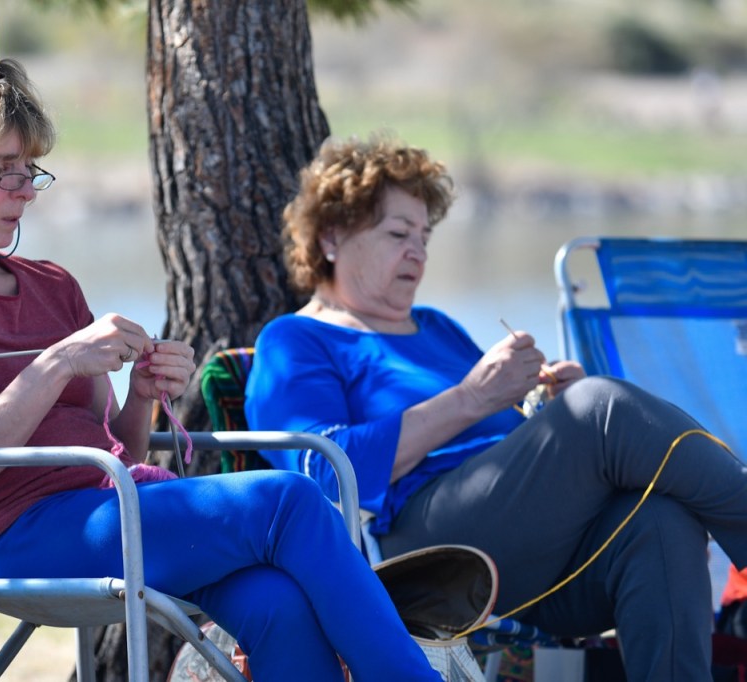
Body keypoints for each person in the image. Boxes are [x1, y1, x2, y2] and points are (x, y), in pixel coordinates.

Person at [0, 58, 441, 682]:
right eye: (3, 171)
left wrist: (141, 396)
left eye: (29, 170)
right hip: (12, 537)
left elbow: (119, 448)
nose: (24, 190)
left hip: (115, 506)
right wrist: (56, 364)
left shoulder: (53, 286)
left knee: (277, 603)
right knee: (289, 499)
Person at [244, 134, 747, 681]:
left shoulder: (436, 327)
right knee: (601, 408)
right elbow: (324, 471)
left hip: (526, 553)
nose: (417, 252)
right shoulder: (296, 340)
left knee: (659, 520)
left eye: (424, 236)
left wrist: (544, 407)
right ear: (333, 237)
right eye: (397, 234)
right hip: (420, 558)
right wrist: (477, 397)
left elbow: (498, 441)